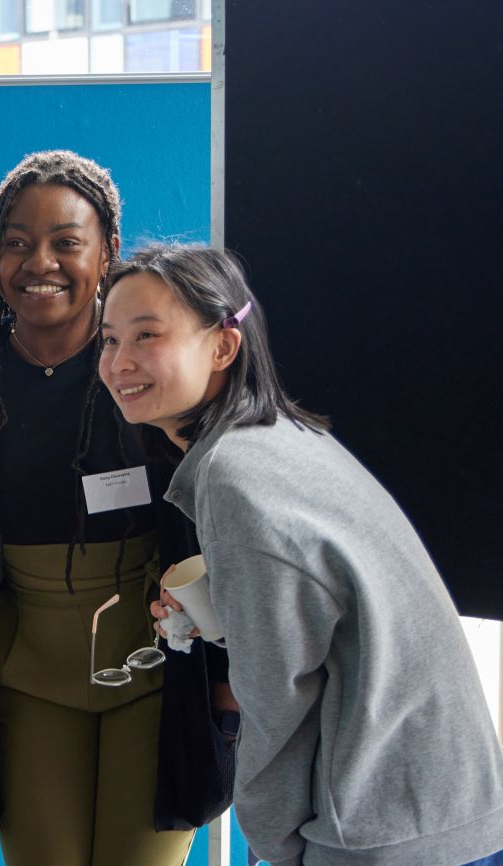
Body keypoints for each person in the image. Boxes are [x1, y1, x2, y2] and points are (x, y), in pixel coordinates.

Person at [99, 244, 503, 866]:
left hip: (383, 834)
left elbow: (275, 702)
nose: (120, 362)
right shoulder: (285, 436)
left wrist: (274, 848)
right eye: (109, 340)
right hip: (452, 808)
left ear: (222, 347)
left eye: (146, 335)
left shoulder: (234, 476)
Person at [0, 150, 232, 866]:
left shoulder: (148, 369)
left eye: (64, 242)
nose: (37, 261)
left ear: (107, 250)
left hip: (158, 673)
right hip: (21, 679)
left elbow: (223, 529)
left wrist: (228, 694)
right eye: (15, 241)